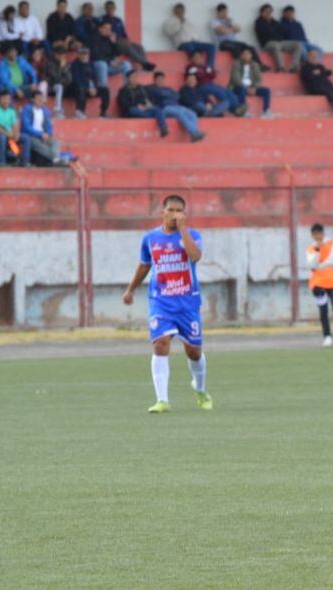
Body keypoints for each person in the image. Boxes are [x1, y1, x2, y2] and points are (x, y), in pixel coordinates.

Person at [122, 194, 213, 414]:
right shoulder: (151, 239)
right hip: (161, 301)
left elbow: (195, 256)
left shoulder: (192, 235)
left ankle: (200, 389)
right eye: (170, 210)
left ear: (184, 214)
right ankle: (162, 399)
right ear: (162, 212)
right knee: (160, 344)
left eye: (179, 211)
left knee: (194, 352)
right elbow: (145, 265)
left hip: (187, 303)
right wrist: (131, 289)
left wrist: (183, 230)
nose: (174, 215)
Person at [307, 223, 333, 347]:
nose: (318, 237)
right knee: (323, 310)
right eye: (315, 235)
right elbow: (311, 264)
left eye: (319, 234)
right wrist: (318, 251)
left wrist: (320, 266)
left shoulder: (332, 244)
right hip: (319, 284)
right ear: (312, 235)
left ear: (323, 234)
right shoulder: (311, 248)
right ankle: (327, 336)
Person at [146, 71, 206, 141]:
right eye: (158, 79)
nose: (160, 81)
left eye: (162, 79)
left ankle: (195, 133)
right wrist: (168, 95)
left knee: (193, 113)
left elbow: (177, 96)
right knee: (180, 113)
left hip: (176, 106)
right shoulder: (151, 88)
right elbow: (160, 94)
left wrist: (167, 95)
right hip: (165, 108)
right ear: (154, 80)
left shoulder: (168, 89)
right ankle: (194, 133)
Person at [185, 48, 244, 115]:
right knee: (221, 93)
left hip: (211, 84)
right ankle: (233, 109)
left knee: (228, 92)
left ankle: (236, 108)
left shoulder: (205, 67)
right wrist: (206, 72)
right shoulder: (191, 67)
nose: (198, 58)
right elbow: (198, 75)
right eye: (195, 57)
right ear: (192, 59)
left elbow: (212, 75)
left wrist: (210, 72)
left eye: (199, 57)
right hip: (201, 86)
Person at [101, 1, 155, 71]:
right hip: (113, 42)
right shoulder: (103, 19)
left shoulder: (118, 20)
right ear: (105, 9)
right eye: (108, 8)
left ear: (115, 8)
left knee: (139, 47)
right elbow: (103, 32)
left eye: (112, 8)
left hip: (122, 40)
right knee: (129, 48)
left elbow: (123, 32)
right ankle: (145, 63)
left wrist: (127, 39)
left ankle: (144, 63)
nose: (110, 9)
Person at [117, 70, 171, 137]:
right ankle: (153, 117)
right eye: (133, 77)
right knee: (134, 110)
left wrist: (148, 105)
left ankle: (163, 128)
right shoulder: (123, 90)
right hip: (133, 110)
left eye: (136, 77)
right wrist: (137, 106)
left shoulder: (141, 88)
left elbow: (148, 99)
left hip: (145, 109)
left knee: (157, 109)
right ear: (128, 79)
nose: (135, 79)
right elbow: (124, 104)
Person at [164, 3, 216, 68]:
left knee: (211, 47)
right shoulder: (170, 21)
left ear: (184, 11)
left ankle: (209, 67)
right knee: (191, 48)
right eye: (178, 11)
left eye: (182, 10)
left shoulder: (188, 21)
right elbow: (169, 32)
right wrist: (179, 22)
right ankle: (196, 67)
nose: (180, 12)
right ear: (175, 11)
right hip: (183, 44)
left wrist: (197, 40)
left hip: (195, 42)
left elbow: (195, 33)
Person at [0, 92, 31, 166]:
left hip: (10, 134)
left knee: (26, 138)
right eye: (4, 99)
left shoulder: (11, 111)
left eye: (8, 99)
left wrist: (16, 134)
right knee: (1, 137)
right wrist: (7, 134)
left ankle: (24, 162)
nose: (6, 101)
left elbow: (15, 124)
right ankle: (0, 162)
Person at [254, 3, 299, 73]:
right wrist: (274, 32)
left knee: (297, 44)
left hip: (280, 42)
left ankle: (294, 67)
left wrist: (275, 33)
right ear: (261, 13)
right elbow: (267, 34)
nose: (269, 13)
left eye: (270, 12)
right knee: (275, 44)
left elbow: (281, 33)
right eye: (266, 11)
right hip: (267, 44)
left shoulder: (275, 22)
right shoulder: (258, 22)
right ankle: (281, 67)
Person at [19, 89, 60, 165]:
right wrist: (40, 134)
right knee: (45, 148)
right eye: (38, 99)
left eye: (41, 98)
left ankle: (56, 159)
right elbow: (27, 127)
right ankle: (56, 159)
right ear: (32, 99)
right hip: (31, 136)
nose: (40, 100)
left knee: (55, 142)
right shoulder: (27, 109)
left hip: (43, 136)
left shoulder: (45, 110)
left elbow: (49, 125)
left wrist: (48, 134)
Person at [299, 48, 333, 114]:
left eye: (315, 56)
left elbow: (328, 72)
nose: (314, 58)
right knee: (330, 93)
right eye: (312, 56)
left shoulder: (320, 66)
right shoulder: (305, 67)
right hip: (315, 88)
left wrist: (320, 72)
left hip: (326, 85)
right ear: (308, 56)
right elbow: (307, 77)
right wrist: (315, 73)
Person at [89, 20, 132, 90]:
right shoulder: (94, 38)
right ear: (100, 29)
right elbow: (95, 55)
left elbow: (117, 54)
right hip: (96, 65)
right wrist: (110, 61)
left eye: (110, 29)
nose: (108, 30)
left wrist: (114, 43)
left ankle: (129, 89)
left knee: (126, 64)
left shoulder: (109, 38)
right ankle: (103, 90)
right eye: (106, 28)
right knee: (102, 64)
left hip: (109, 65)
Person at [228, 47, 271, 116]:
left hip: (252, 88)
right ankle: (244, 111)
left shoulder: (255, 65)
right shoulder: (236, 64)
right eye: (244, 54)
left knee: (266, 91)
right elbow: (236, 79)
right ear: (241, 56)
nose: (246, 56)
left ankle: (266, 111)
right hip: (239, 87)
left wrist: (254, 87)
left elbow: (258, 79)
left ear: (251, 55)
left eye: (248, 54)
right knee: (241, 89)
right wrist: (246, 88)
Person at [69, 44, 109, 117]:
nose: (84, 56)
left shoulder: (91, 63)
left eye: (86, 54)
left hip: (91, 88)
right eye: (82, 54)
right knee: (81, 88)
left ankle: (103, 112)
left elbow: (95, 78)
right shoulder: (74, 64)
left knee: (105, 90)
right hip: (78, 88)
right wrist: (88, 88)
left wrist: (95, 88)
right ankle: (80, 110)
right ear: (78, 55)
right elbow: (77, 80)